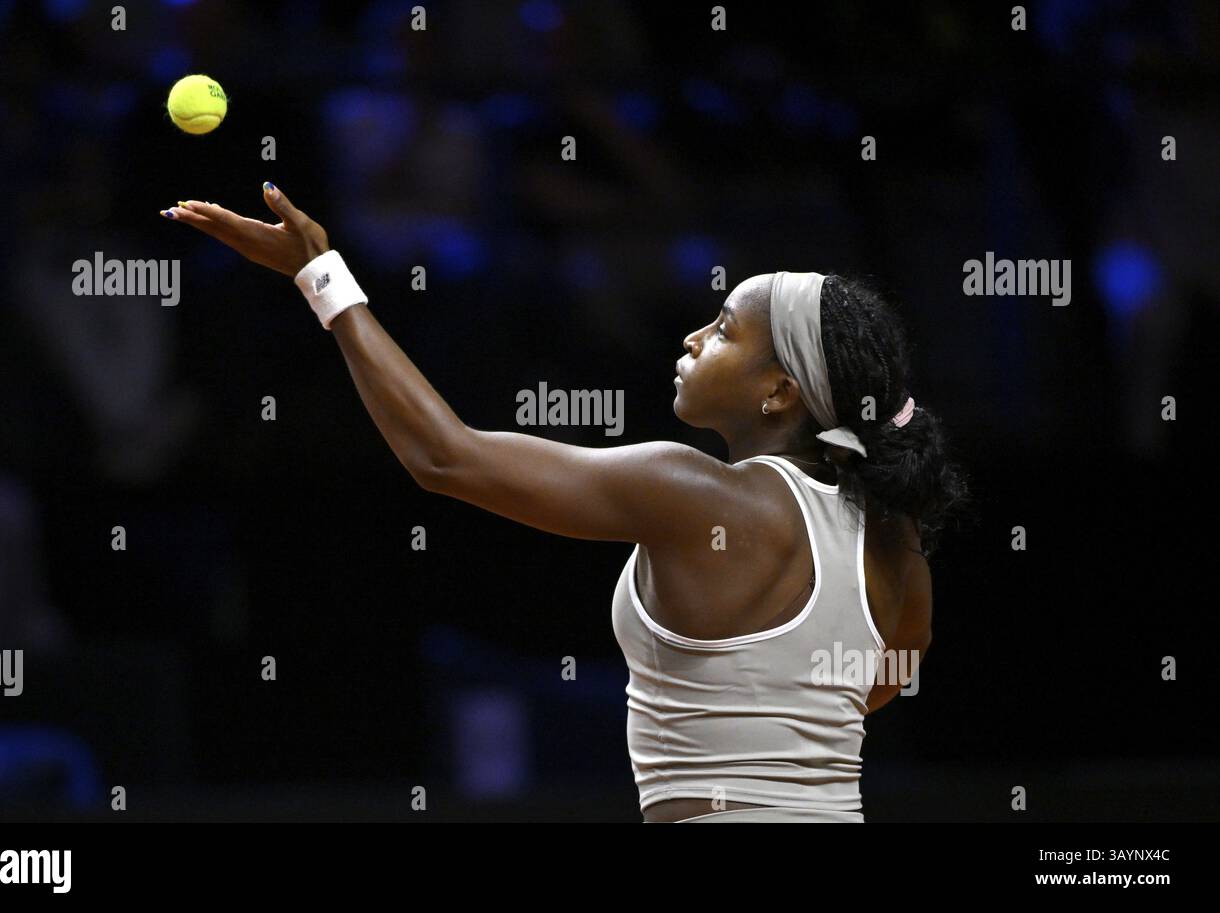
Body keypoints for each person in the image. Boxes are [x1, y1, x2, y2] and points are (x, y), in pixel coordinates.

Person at [160, 185, 969, 822]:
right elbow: (888, 675)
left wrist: (321, 277)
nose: (692, 337)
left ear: (779, 391)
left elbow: (446, 456)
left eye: (723, 331)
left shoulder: (687, 489)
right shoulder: (893, 534)